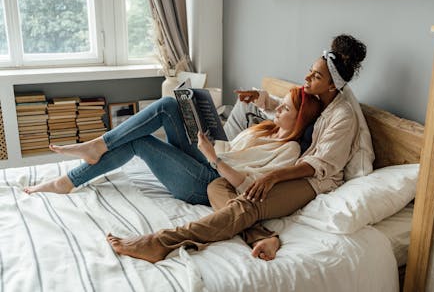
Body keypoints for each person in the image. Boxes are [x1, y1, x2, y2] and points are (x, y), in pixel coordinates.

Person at [106, 34, 370, 262]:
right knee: (216, 186)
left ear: (332, 85)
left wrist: (272, 176)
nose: (307, 77)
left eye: (316, 75)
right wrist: (261, 99)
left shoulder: (343, 116)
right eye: (310, 70)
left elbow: (320, 165)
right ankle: (263, 237)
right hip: (299, 169)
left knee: (248, 203)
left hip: (315, 180)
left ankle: (160, 243)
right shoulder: (318, 95)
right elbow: (291, 107)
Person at [24, 87, 322, 207]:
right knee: (168, 105)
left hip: (210, 183)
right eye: (279, 105)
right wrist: (209, 140)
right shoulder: (266, 127)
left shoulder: (290, 152)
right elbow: (243, 136)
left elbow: (246, 186)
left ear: (300, 119)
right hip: (209, 160)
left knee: (141, 141)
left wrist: (212, 157)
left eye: (284, 108)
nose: (276, 110)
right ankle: (98, 146)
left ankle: (69, 179)